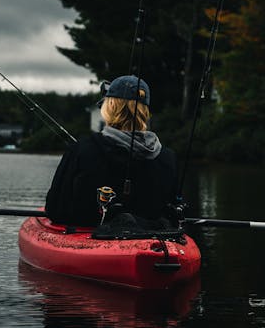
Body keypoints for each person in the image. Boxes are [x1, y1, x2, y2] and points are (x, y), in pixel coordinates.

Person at [45, 75, 177, 227]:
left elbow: (55, 209)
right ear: (145, 111)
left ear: (109, 107)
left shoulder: (82, 149)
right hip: (151, 240)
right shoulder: (168, 157)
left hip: (93, 240)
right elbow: (171, 212)